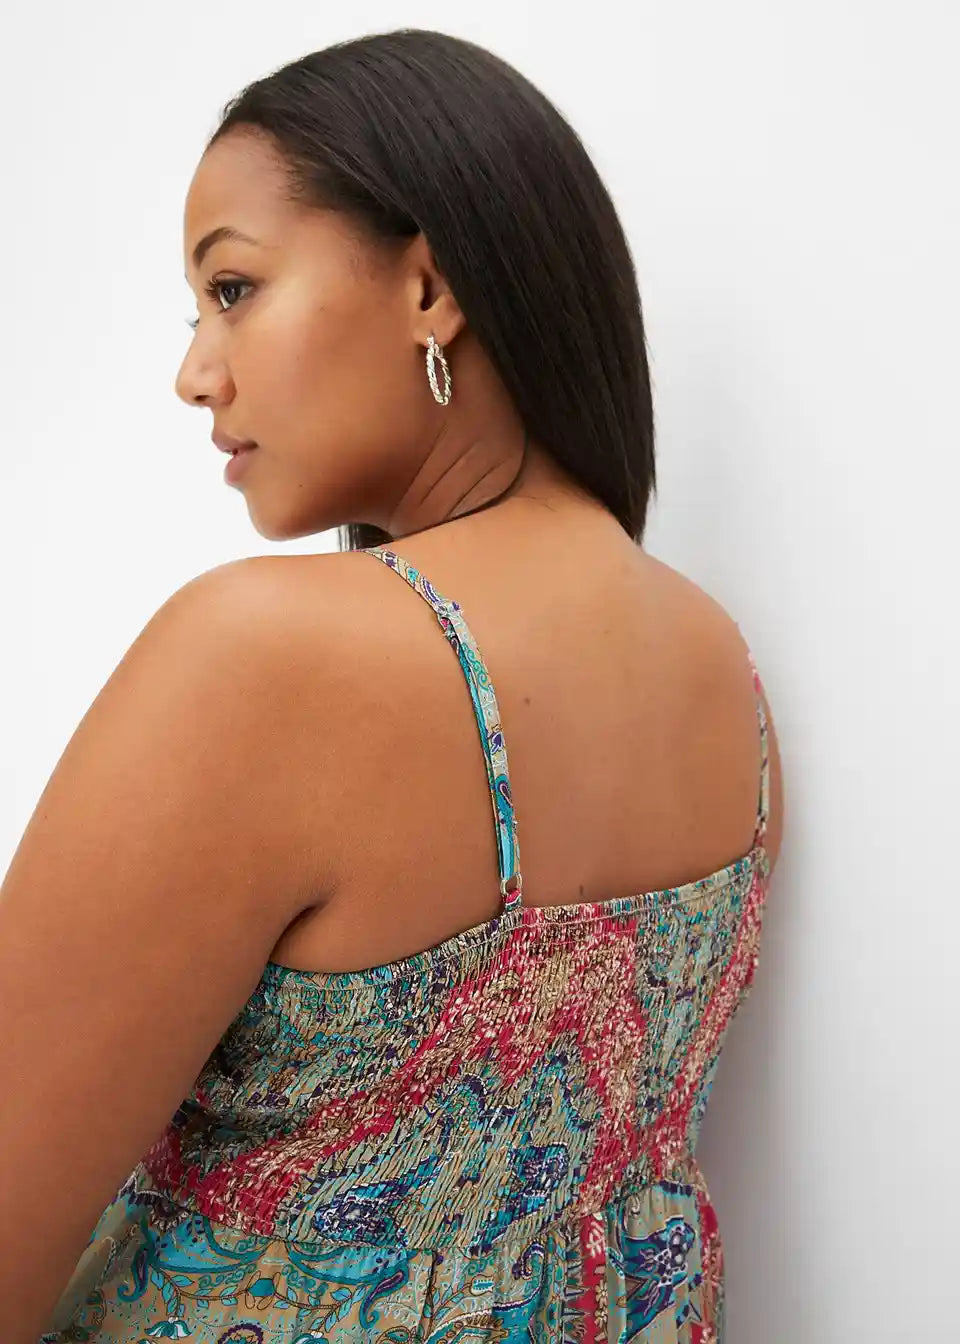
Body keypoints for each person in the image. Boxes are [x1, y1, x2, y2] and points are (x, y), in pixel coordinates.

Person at [0, 27, 783, 1344]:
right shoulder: (725, 678)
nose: (195, 373)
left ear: (430, 287)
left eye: (233, 289)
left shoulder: (267, 659)